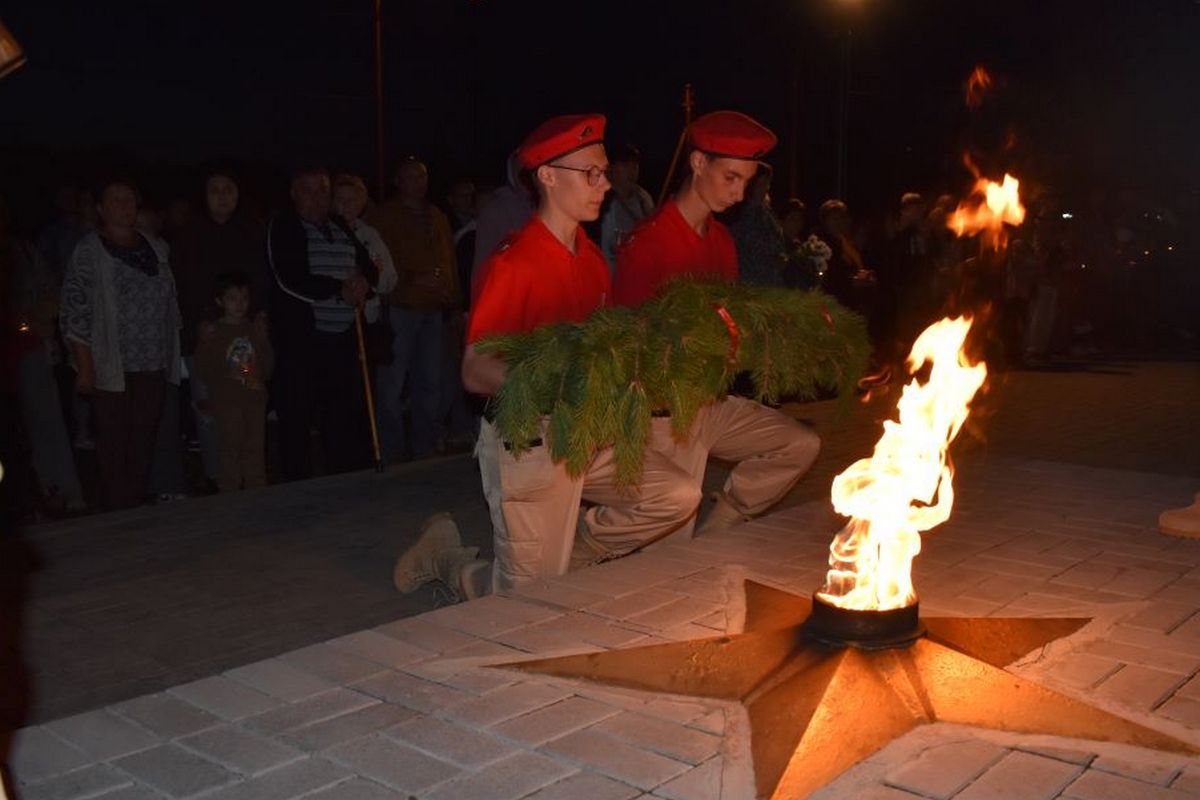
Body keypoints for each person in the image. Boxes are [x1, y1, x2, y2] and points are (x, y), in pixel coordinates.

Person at [393, 114, 700, 600]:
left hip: (586, 432)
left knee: (676, 496)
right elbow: (474, 370)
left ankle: (556, 563)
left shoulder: (593, 261)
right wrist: (553, 383)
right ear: (548, 176)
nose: (605, 184)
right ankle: (445, 557)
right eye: (591, 174)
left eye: (604, 172)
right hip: (526, 438)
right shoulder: (514, 262)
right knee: (518, 604)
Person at [614, 110, 821, 538]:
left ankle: (720, 526)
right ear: (696, 163)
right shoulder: (649, 242)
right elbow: (626, 343)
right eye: (730, 177)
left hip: (710, 400)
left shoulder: (722, 240)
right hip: (664, 410)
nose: (739, 192)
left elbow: (729, 322)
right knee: (668, 546)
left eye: (746, 181)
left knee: (799, 444)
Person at [60, 177, 182, 509]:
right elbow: (75, 310)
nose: (124, 205)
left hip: (153, 362)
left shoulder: (156, 247)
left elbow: (170, 305)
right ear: (100, 208)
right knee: (114, 446)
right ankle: (117, 515)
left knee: (144, 442)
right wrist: (84, 367)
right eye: (115, 199)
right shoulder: (89, 250)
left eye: (129, 199)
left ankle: (136, 510)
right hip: (110, 366)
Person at [267, 165, 377, 480]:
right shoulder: (284, 226)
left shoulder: (340, 225)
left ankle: (343, 478)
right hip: (303, 337)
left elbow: (367, 266)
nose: (316, 197)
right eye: (308, 190)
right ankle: (296, 486)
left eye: (322, 191)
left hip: (343, 336)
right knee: (297, 415)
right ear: (293, 193)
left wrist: (363, 281)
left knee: (342, 413)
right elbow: (289, 277)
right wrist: (337, 288)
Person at [172, 168, 269, 488]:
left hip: (245, 337)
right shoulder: (188, 235)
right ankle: (219, 479)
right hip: (208, 336)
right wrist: (200, 324)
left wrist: (258, 317)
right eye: (215, 189)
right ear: (204, 195)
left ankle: (254, 479)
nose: (223, 196)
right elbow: (181, 286)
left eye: (229, 188)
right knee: (212, 413)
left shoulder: (253, 231)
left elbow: (263, 281)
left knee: (249, 412)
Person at [367, 158, 460, 460]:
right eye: (410, 177)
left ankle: (426, 446)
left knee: (431, 382)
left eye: (422, 177)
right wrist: (412, 278)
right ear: (398, 181)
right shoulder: (385, 216)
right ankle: (390, 451)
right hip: (400, 308)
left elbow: (450, 261)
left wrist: (454, 300)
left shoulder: (437, 216)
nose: (417, 183)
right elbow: (377, 260)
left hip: (434, 310)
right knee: (392, 384)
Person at [194, 272, 274, 491]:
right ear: (219, 301)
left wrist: (263, 338)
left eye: (244, 298)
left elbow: (266, 367)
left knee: (255, 448)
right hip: (227, 402)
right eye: (232, 298)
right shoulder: (214, 332)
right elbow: (203, 368)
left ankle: (257, 492)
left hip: (254, 400)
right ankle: (229, 496)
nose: (239, 304)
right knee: (230, 447)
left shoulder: (253, 329)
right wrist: (204, 343)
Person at [331, 173, 398, 326]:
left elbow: (389, 278)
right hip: (334, 316)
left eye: (351, 200)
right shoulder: (325, 232)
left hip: (366, 317)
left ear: (361, 203)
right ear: (332, 202)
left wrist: (371, 278)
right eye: (340, 199)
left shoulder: (370, 234)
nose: (346, 204)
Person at [727, 164, 788, 287]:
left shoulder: (766, 211)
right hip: (751, 280)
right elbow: (746, 243)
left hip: (771, 280)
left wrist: (781, 256)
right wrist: (772, 257)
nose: (764, 188)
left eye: (767, 183)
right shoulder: (740, 211)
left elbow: (778, 238)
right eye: (761, 183)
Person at [599, 143, 655, 271]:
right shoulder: (602, 202)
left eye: (635, 164)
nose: (632, 170)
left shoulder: (643, 199)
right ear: (610, 168)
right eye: (625, 164)